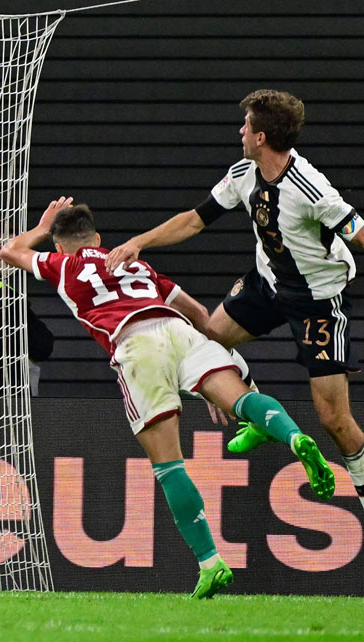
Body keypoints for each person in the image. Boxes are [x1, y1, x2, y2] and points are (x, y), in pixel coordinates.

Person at [0, 198, 334, 598]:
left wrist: (41, 228)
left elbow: (10, 252)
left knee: (169, 466)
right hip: (181, 332)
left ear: (59, 246)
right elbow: (201, 315)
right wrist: (213, 371)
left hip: (136, 346)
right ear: (98, 239)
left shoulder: (62, 265)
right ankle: (294, 436)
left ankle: (210, 563)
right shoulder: (138, 265)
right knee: (242, 399)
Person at [105, 89, 364, 507]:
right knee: (209, 336)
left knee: (334, 419)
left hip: (317, 301)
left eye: (246, 125)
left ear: (261, 137)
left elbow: (358, 231)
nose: (240, 131)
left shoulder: (311, 188)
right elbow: (194, 221)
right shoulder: (244, 172)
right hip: (268, 282)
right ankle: (259, 415)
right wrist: (140, 242)